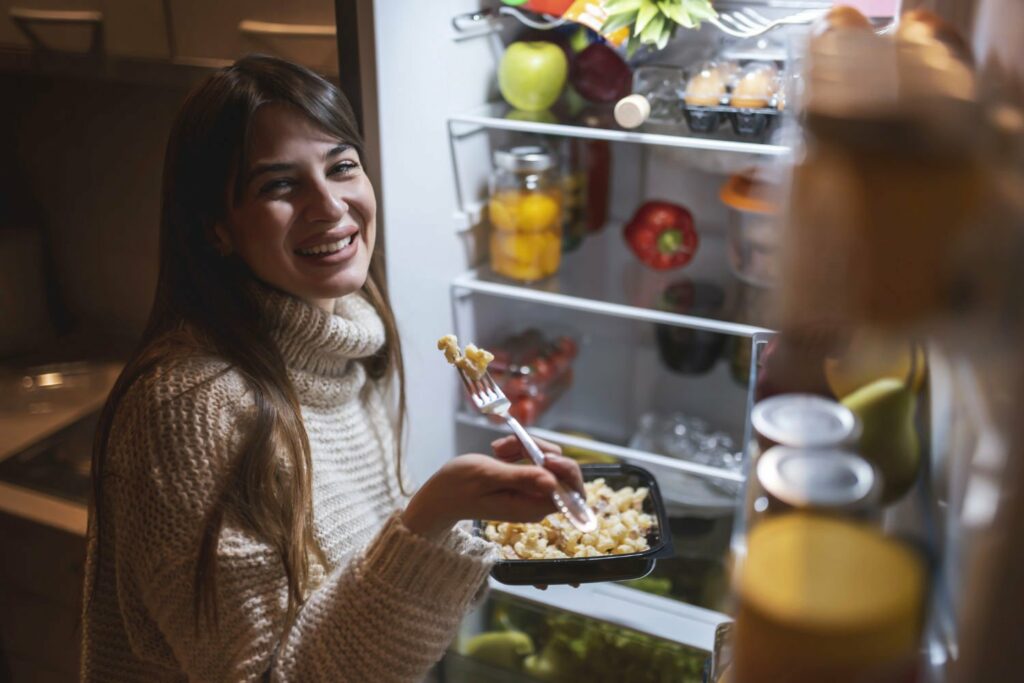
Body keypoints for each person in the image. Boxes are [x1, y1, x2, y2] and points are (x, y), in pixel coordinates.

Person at [81, 54, 584, 682]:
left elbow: (353, 600)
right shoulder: (190, 407)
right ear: (217, 228)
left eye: (342, 167)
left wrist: (461, 508)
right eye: (279, 185)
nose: (329, 206)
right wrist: (428, 516)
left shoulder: (353, 329)